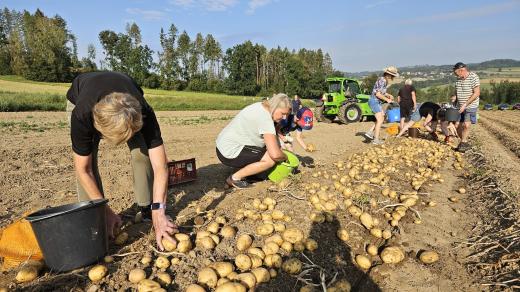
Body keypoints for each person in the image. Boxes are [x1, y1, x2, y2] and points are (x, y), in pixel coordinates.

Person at [66, 71, 176, 251]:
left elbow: (160, 166)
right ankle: (94, 218)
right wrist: (105, 210)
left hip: (127, 104)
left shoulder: (144, 111)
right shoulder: (82, 115)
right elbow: (83, 170)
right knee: (88, 164)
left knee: (143, 153)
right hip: (82, 96)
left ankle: (147, 206)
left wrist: (159, 209)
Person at [216, 93, 290, 189]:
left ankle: (246, 171)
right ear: (275, 107)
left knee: (267, 149)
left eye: (287, 115)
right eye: (283, 114)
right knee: (270, 160)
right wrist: (285, 156)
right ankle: (234, 178)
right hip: (229, 152)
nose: (285, 118)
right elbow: (275, 155)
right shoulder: (266, 119)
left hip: (223, 145)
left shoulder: (260, 106)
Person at [364, 66, 399, 144]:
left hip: (376, 101)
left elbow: (381, 92)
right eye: (393, 76)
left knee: (382, 117)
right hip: (374, 101)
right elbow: (378, 94)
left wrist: (388, 94)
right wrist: (388, 100)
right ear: (389, 75)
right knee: (380, 120)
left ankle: (370, 132)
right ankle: (376, 140)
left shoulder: (383, 80)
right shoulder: (382, 80)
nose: (393, 77)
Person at [452, 62, 480, 152]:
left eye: (456, 73)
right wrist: (454, 97)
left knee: (466, 125)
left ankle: (463, 143)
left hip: (471, 105)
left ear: (462, 70)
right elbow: (456, 92)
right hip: (460, 106)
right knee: (458, 126)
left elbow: (476, 93)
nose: (455, 75)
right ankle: (464, 143)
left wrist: (465, 104)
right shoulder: (458, 80)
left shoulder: (473, 77)